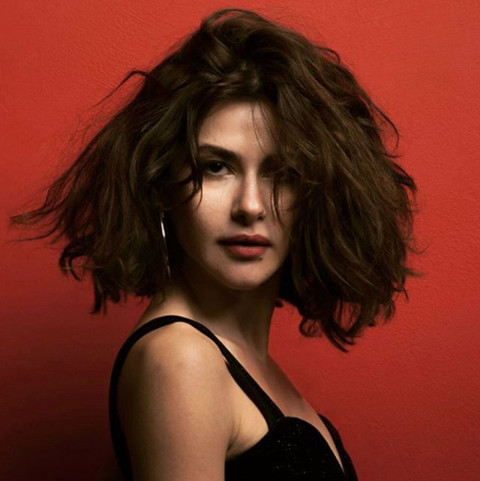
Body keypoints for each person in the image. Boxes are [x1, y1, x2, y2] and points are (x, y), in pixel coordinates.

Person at [11, 8, 420, 481]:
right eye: (216, 167)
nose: (250, 206)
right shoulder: (181, 360)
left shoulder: (233, 360)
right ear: (162, 184)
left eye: (283, 173)